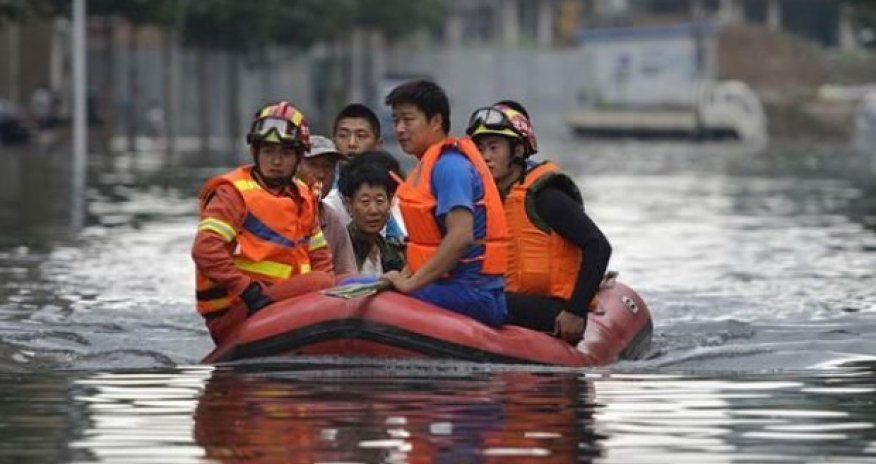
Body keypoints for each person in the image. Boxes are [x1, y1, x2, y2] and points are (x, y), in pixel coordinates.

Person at [466, 100, 612, 345]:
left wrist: (575, 311)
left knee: (476, 301)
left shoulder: (545, 197)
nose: (485, 157)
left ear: (517, 151)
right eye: (479, 149)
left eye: (494, 148)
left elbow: (598, 245)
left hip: (554, 307)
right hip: (510, 299)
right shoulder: (484, 199)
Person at [191, 101, 334, 344]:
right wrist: (247, 289)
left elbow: (320, 258)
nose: (276, 161)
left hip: (282, 300)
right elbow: (205, 249)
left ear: (299, 157)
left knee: (340, 280)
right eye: (268, 151)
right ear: (255, 152)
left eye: (285, 153)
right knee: (321, 282)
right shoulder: (233, 194)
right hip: (239, 308)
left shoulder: (303, 195)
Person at [382, 80, 508, 327]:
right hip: (453, 286)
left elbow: (461, 237)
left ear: (436, 121)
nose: (399, 129)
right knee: (360, 285)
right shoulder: (429, 166)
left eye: (408, 120)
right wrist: (406, 274)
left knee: (357, 288)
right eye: (396, 121)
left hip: (473, 293)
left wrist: (410, 285)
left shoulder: (449, 167)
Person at [325, 103, 407, 241]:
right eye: (343, 135)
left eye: (361, 136)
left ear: (378, 145)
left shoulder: (397, 191)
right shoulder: (324, 193)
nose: (351, 143)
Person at [337, 150, 406, 276]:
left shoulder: (393, 252)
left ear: (390, 201)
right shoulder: (340, 248)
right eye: (365, 202)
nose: (373, 210)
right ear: (348, 204)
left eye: (380, 201)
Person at [296, 135, 358, 276]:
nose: (321, 174)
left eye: (328, 167)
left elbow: (347, 274)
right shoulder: (276, 208)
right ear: (295, 166)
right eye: (313, 165)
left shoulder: (332, 220)